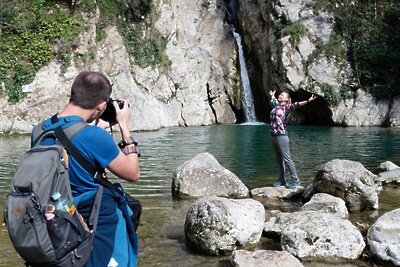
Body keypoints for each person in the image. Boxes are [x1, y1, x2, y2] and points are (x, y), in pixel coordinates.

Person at [34, 71, 141, 266]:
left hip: (57, 220)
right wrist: (125, 126)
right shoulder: (93, 136)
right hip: (95, 219)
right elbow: (133, 173)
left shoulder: (40, 130)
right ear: (101, 106)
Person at [269, 89, 317, 189]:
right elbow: (273, 100)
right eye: (280, 95)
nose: (280, 95)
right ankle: (281, 180)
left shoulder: (286, 107)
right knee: (279, 159)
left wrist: (309, 101)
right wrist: (272, 95)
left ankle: (295, 179)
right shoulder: (276, 106)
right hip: (273, 135)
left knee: (287, 158)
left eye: (282, 95)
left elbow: (297, 104)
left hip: (281, 135)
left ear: (287, 99)